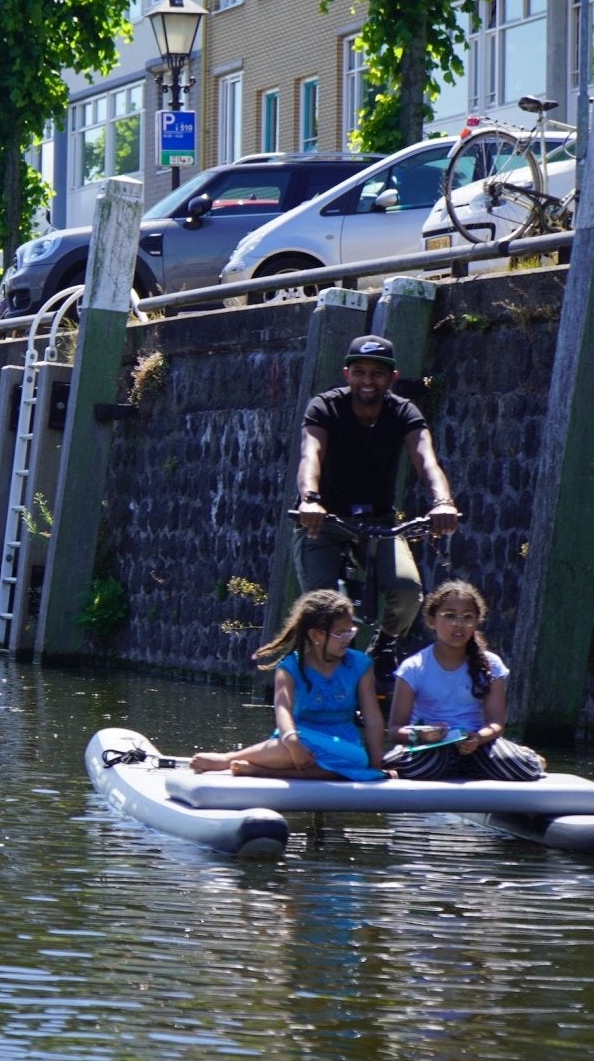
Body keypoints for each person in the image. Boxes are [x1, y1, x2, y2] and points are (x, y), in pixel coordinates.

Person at [293, 333, 460, 644]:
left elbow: (427, 461)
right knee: (322, 605)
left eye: (377, 373)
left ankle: (384, 646)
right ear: (347, 375)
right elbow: (310, 455)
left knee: (408, 590)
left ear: (392, 377)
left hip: (378, 523)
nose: (367, 381)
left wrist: (443, 502)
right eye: (359, 372)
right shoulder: (324, 407)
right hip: (324, 521)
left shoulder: (403, 412)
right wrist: (310, 500)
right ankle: (328, 657)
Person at [191, 589, 391, 779]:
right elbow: (283, 710)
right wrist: (293, 742)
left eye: (350, 632)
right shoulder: (290, 667)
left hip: (344, 743)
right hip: (297, 736)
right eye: (341, 634)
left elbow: (373, 718)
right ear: (315, 635)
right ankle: (228, 759)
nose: (347, 639)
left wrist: (376, 761)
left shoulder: (360, 665)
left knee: (357, 760)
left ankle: (261, 771)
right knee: (295, 752)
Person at [383, 582, 546, 781]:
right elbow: (395, 730)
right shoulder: (413, 667)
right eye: (450, 615)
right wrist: (421, 735)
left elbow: (496, 723)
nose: (458, 624)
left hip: (477, 745)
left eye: (467, 617)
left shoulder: (491, 664)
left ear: (476, 623)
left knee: (524, 768)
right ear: (432, 621)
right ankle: (458, 768)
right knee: (405, 765)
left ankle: (522, 757)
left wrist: (478, 738)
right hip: (430, 748)